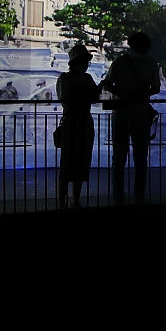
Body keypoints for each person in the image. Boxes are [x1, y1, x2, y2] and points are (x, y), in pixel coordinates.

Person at [103, 32, 161, 206]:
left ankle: (118, 197)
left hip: (121, 113)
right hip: (142, 113)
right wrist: (141, 93)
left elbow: (107, 84)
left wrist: (122, 94)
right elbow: (156, 88)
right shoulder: (151, 64)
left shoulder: (120, 62)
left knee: (118, 159)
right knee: (141, 159)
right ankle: (139, 197)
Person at [56, 43, 104, 208]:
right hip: (72, 122)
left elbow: (93, 98)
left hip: (83, 121)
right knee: (67, 162)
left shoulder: (87, 78)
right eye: (83, 62)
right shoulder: (65, 78)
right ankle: (62, 201)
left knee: (82, 162)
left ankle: (75, 199)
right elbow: (66, 101)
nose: (84, 66)